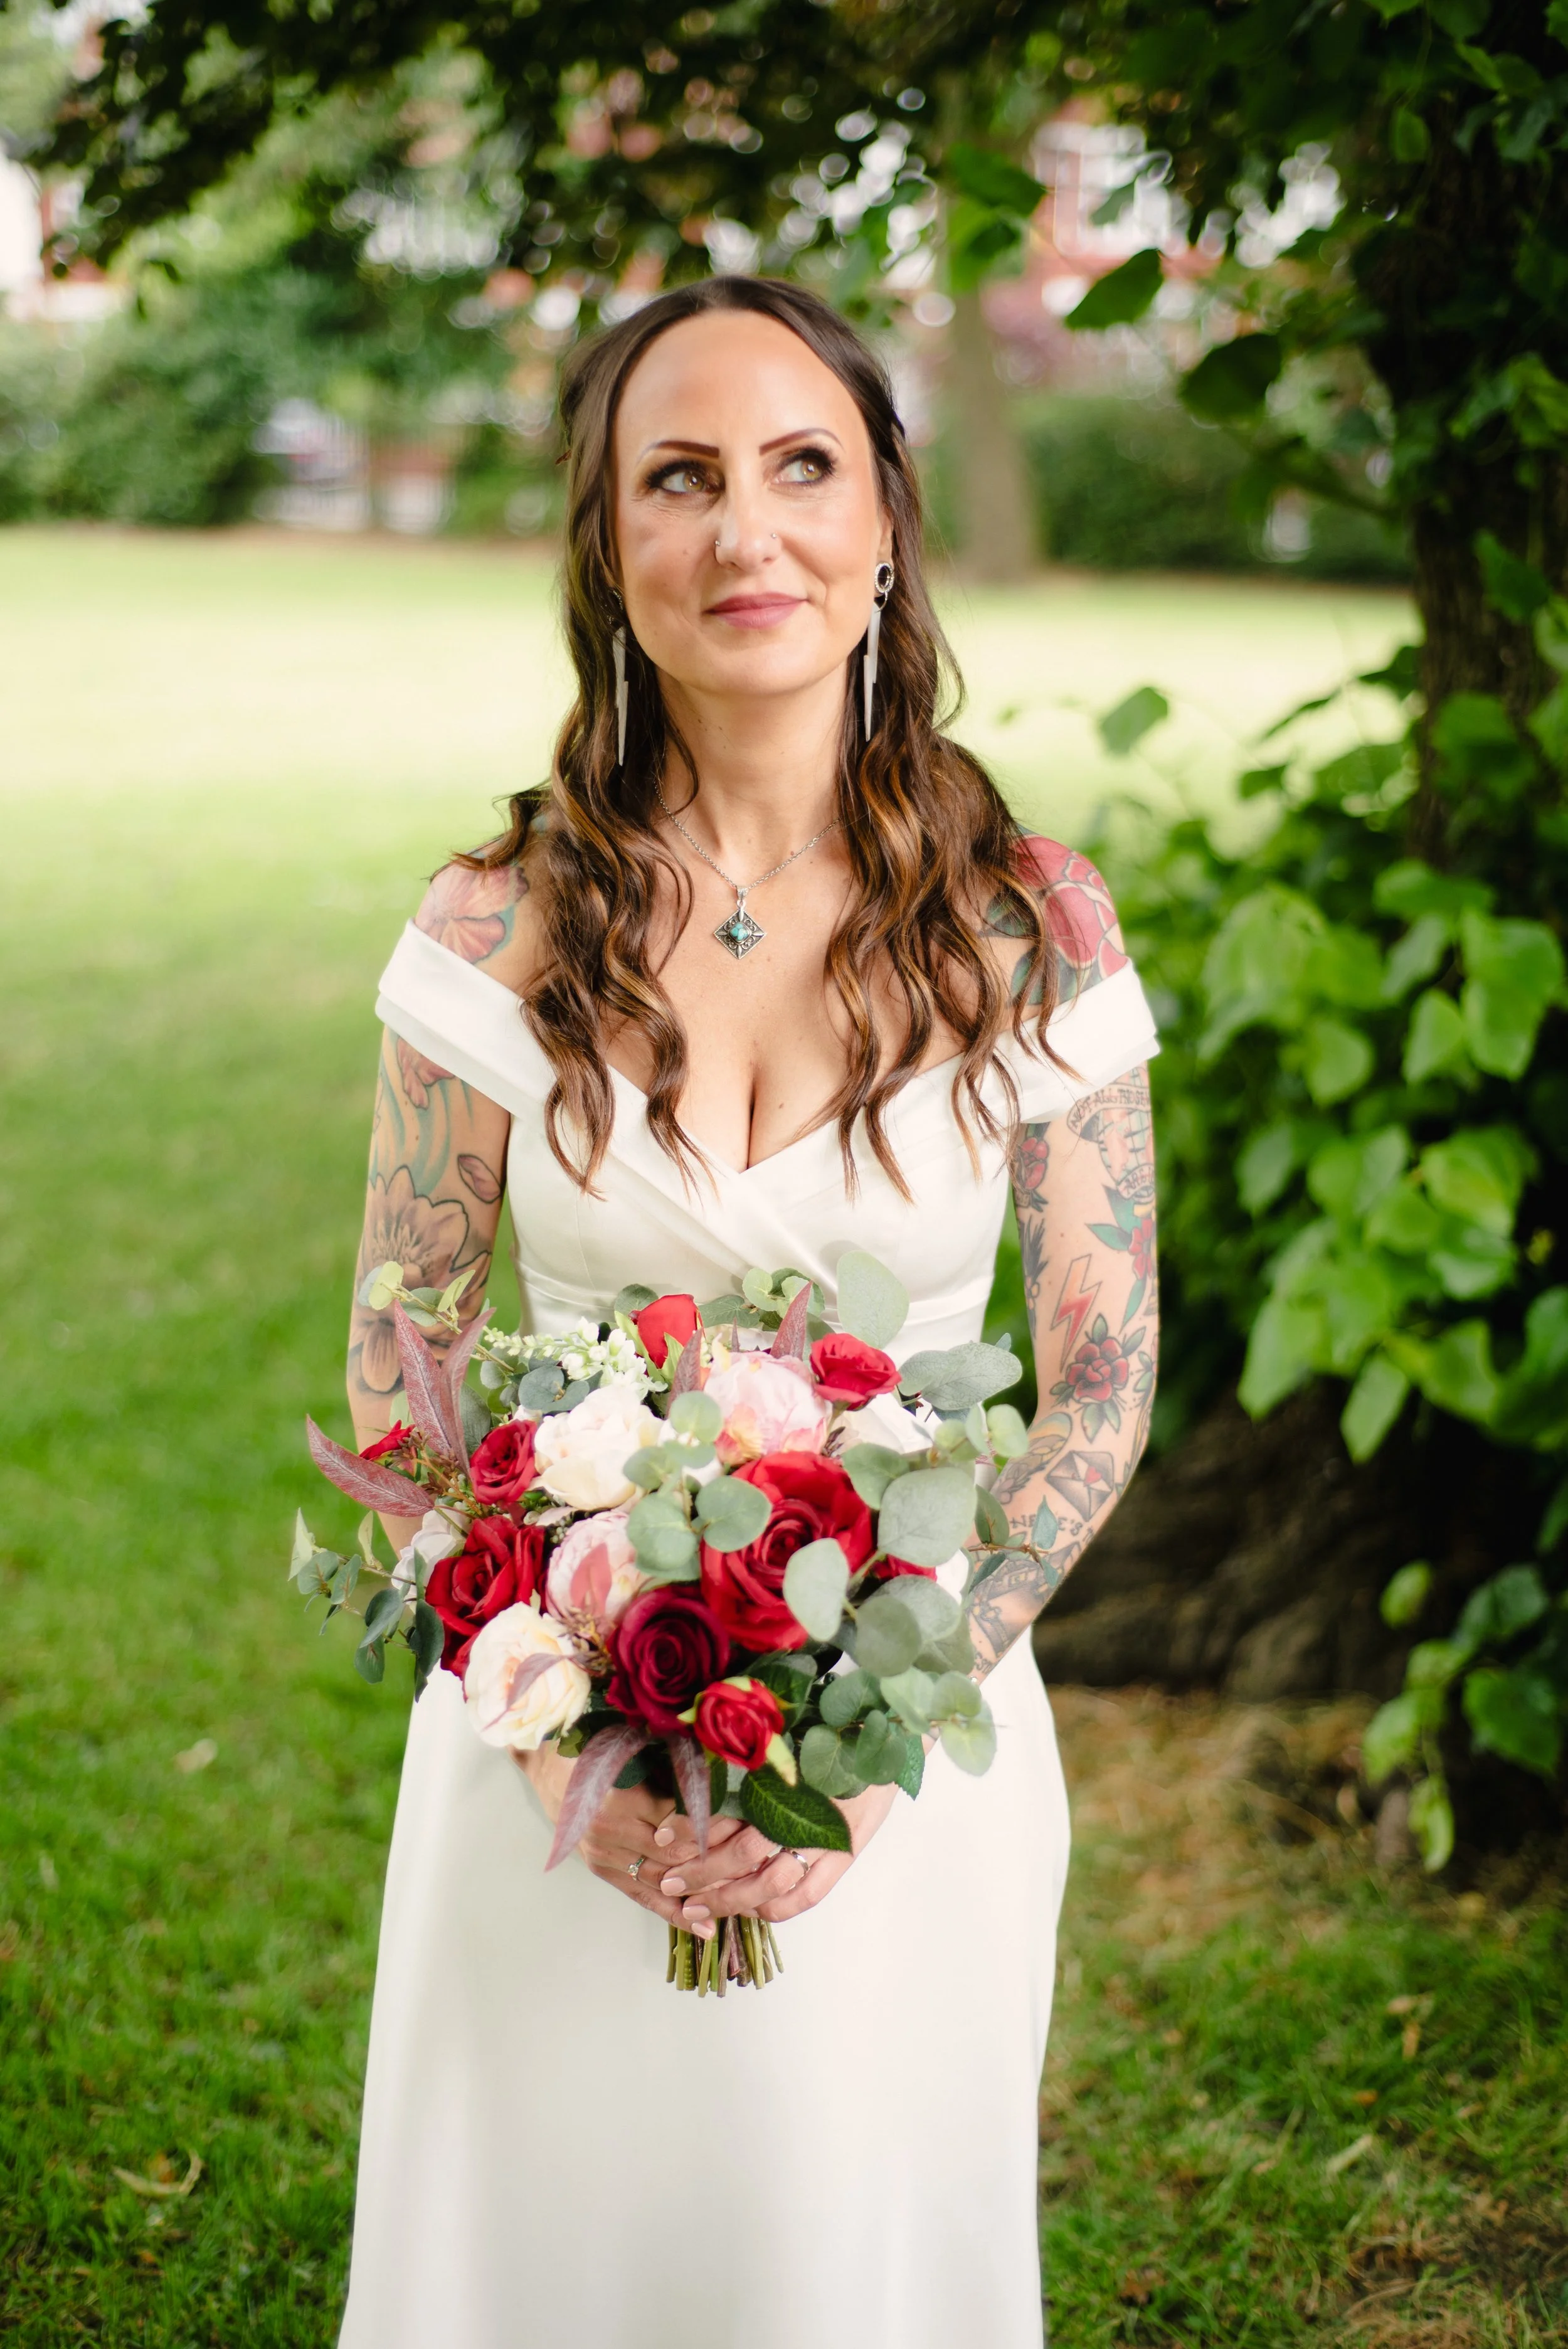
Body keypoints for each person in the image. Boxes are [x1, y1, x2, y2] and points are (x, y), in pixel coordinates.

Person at [338, 275, 1158, 2349]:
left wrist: (878, 1748)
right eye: (679, 478)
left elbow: (1098, 1381)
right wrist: (553, 1738)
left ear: (883, 522)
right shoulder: (493, 927)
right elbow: (399, 1376)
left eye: (801, 467)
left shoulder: (1030, 926)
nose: (745, 532)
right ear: (609, 547)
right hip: (552, 1776)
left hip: (914, 1764)